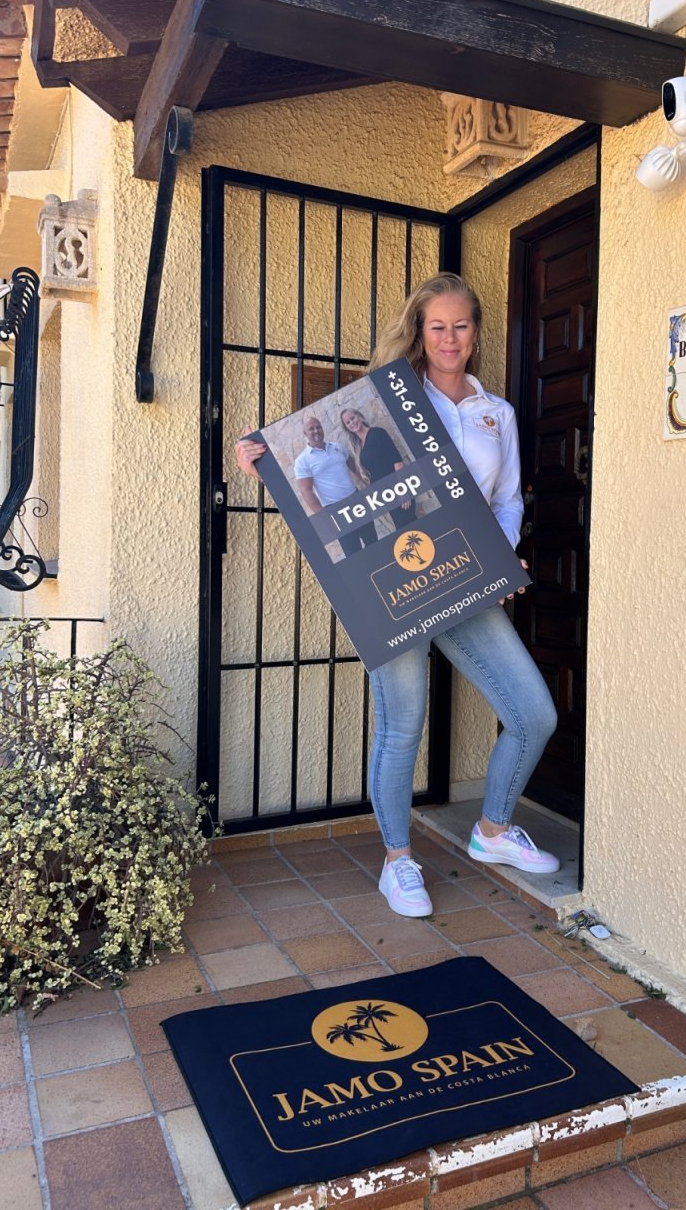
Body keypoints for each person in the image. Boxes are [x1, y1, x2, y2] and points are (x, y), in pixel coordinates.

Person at [236, 273, 560, 918]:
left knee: (533, 714)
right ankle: (397, 861)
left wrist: (498, 562)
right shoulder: (393, 396)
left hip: (465, 577)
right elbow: (335, 472)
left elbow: (505, 500)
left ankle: (493, 830)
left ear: (475, 332)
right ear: (420, 331)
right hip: (393, 575)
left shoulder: (496, 412)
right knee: (402, 724)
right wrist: (262, 459)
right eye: (437, 326)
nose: (449, 338)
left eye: (460, 326)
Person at [291, 414, 373, 555]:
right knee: (353, 552)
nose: (316, 431)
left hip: (356, 499)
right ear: (305, 433)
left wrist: (368, 484)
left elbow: (354, 467)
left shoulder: (337, 447)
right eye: (311, 429)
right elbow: (306, 491)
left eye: (318, 427)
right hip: (335, 510)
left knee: (373, 540)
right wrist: (325, 518)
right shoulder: (302, 461)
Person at [338, 405, 417, 533]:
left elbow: (397, 462)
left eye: (352, 418)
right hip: (387, 495)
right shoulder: (359, 447)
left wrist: (403, 491)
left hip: (398, 490)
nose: (352, 423)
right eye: (348, 422)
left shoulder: (377, 433)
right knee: (405, 530)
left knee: (411, 528)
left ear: (359, 416)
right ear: (347, 428)